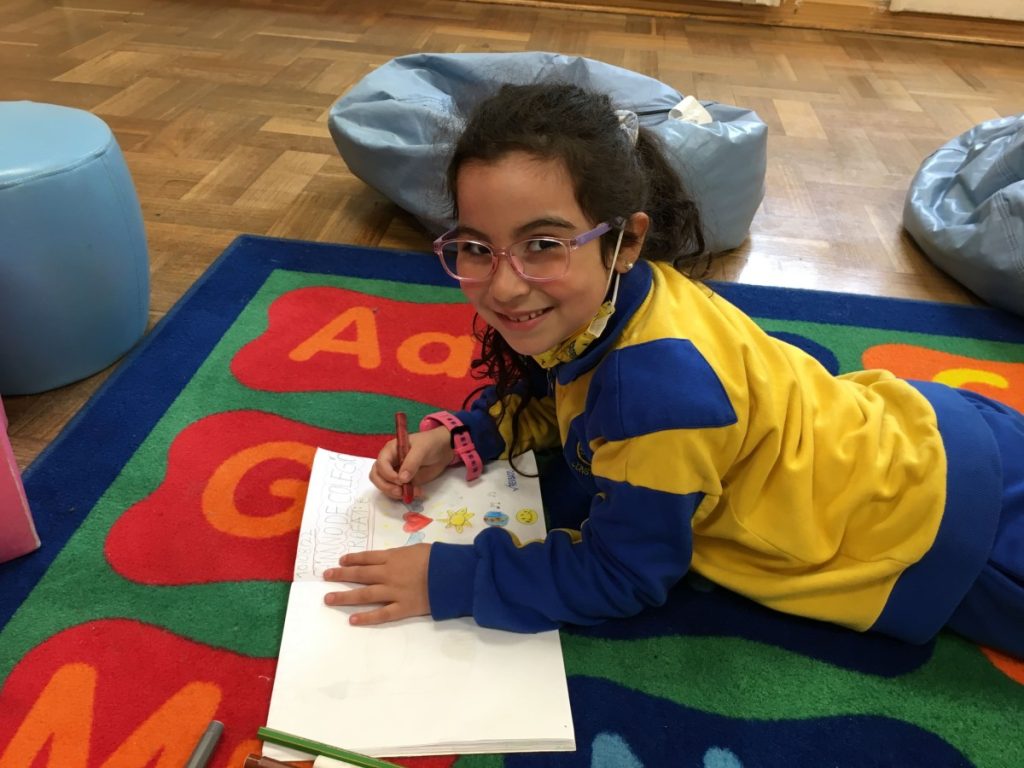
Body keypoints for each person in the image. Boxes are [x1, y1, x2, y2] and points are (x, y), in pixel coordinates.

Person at [322, 82, 1024, 658]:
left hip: (940, 537)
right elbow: (553, 388)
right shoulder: (620, 292)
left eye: (543, 244)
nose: (504, 287)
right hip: (933, 431)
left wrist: (449, 577)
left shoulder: (652, 400)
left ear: (626, 241)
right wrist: (462, 436)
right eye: (477, 247)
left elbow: (623, 574)